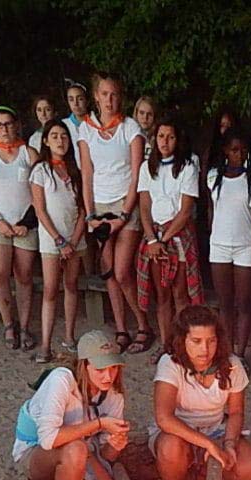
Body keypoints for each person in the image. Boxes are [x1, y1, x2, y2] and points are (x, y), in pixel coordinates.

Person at [13, 332, 131, 480]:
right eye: (100, 370)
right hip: (36, 453)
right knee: (76, 447)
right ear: (84, 365)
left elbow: (106, 456)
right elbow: (48, 439)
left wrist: (116, 445)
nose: (108, 376)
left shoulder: (113, 396)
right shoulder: (61, 379)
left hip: (79, 453)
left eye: (113, 368)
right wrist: (98, 424)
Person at [151, 305, 251, 480]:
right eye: (196, 341)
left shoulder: (232, 366)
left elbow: (236, 412)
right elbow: (164, 418)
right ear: (182, 340)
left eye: (211, 341)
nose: (205, 349)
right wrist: (207, 445)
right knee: (171, 449)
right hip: (178, 432)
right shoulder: (170, 364)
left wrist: (229, 444)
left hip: (216, 430)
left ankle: (202, 470)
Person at [79, 75, 150, 354]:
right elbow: (87, 174)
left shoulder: (129, 128)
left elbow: (136, 174)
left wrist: (124, 213)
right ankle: (122, 328)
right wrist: (90, 215)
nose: (110, 100)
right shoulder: (85, 129)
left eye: (114, 94)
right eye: (105, 94)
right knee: (109, 272)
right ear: (96, 96)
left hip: (124, 204)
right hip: (100, 205)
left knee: (122, 271)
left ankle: (144, 325)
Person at [0, 105, 40, 351]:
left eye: (8, 123)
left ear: (16, 124)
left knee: (24, 276)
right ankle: (8, 324)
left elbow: (38, 191)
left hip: (25, 223)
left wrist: (27, 222)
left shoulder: (29, 152)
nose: (4, 128)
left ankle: (24, 326)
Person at [137, 117, 203, 353]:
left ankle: (183, 345)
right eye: (161, 136)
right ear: (155, 139)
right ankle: (166, 346)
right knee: (162, 294)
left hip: (177, 236)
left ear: (178, 140)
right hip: (155, 236)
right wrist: (152, 240)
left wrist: (163, 240)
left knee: (180, 294)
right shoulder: (147, 167)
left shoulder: (187, 167)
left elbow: (185, 211)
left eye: (171, 137)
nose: (165, 141)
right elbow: (144, 206)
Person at [30, 120, 87, 360]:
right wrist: (59, 240)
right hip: (52, 239)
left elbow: (84, 208)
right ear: (45, 141)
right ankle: (45, 344)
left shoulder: (76, 169)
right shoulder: (40, 170)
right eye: (54, 136)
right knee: (51, 289)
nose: (60, 140)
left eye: (64, 136)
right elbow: (40, 209)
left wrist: (74, 239)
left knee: (71, 285)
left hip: (75, 237)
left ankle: (69, 336)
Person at [204, 131, 251, 358]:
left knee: (244, 302)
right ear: (226, 151)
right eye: (235, 150)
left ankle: (241, 354)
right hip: (219, 246)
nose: (240, 154)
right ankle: (226, 353)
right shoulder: (213, 177)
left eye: (243, 151)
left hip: (245, 245)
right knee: (224, 303)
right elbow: (210, 210)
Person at [61, 79, 90, 147]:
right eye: (71, 99)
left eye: (80, 99)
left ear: (87, 101)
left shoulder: (96, 123)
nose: (75, 103)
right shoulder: (63, 125)